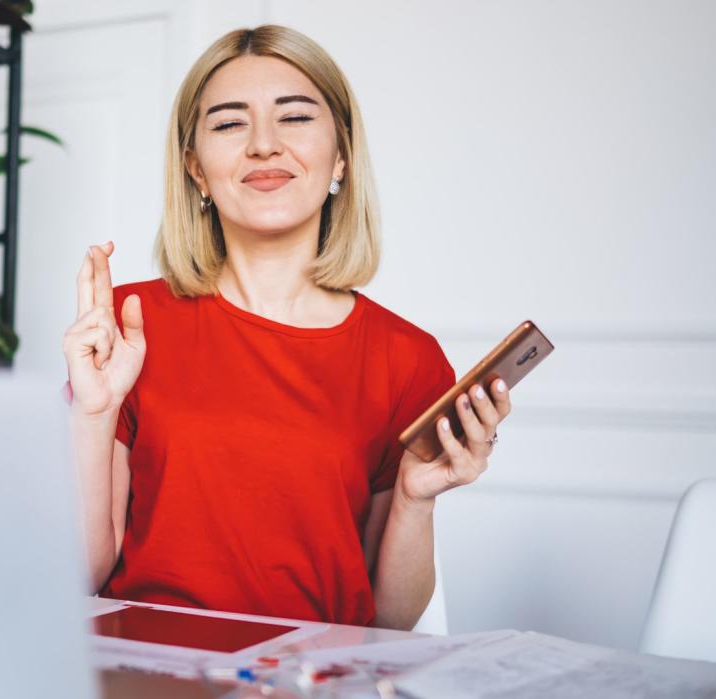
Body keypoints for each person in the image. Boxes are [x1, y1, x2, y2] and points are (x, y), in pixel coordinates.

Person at [62, 25, 512, 631]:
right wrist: (94, 415)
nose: (263, 146)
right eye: (228, 124)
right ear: (195, 168)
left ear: (342, 156)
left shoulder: (407, 359)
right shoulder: (130, 325)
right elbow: (79, 575)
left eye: (295, 118)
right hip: (153, 675)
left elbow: (390, 623)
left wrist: (414, 495)